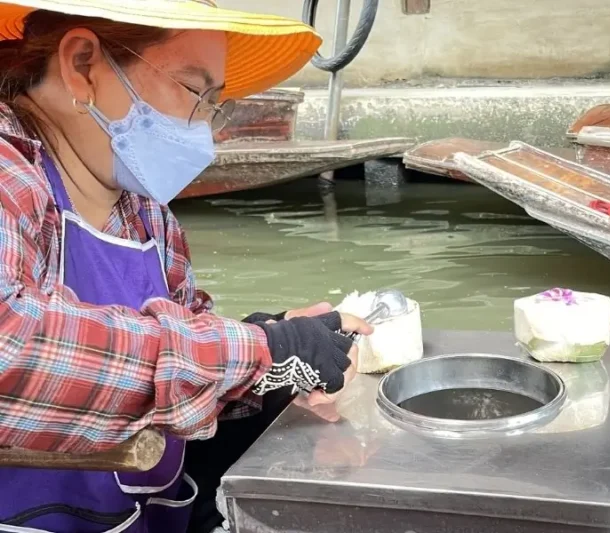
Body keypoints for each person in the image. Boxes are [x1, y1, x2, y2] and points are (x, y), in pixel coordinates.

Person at [0, 1, 373, 532]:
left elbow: (183, 370)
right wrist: (256, 353)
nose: (208, 131)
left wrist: (267, 362)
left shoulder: (148, 217)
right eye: (196, 92)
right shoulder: (10, 175)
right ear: (83, 63)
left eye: (214, 104)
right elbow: (10, 349)